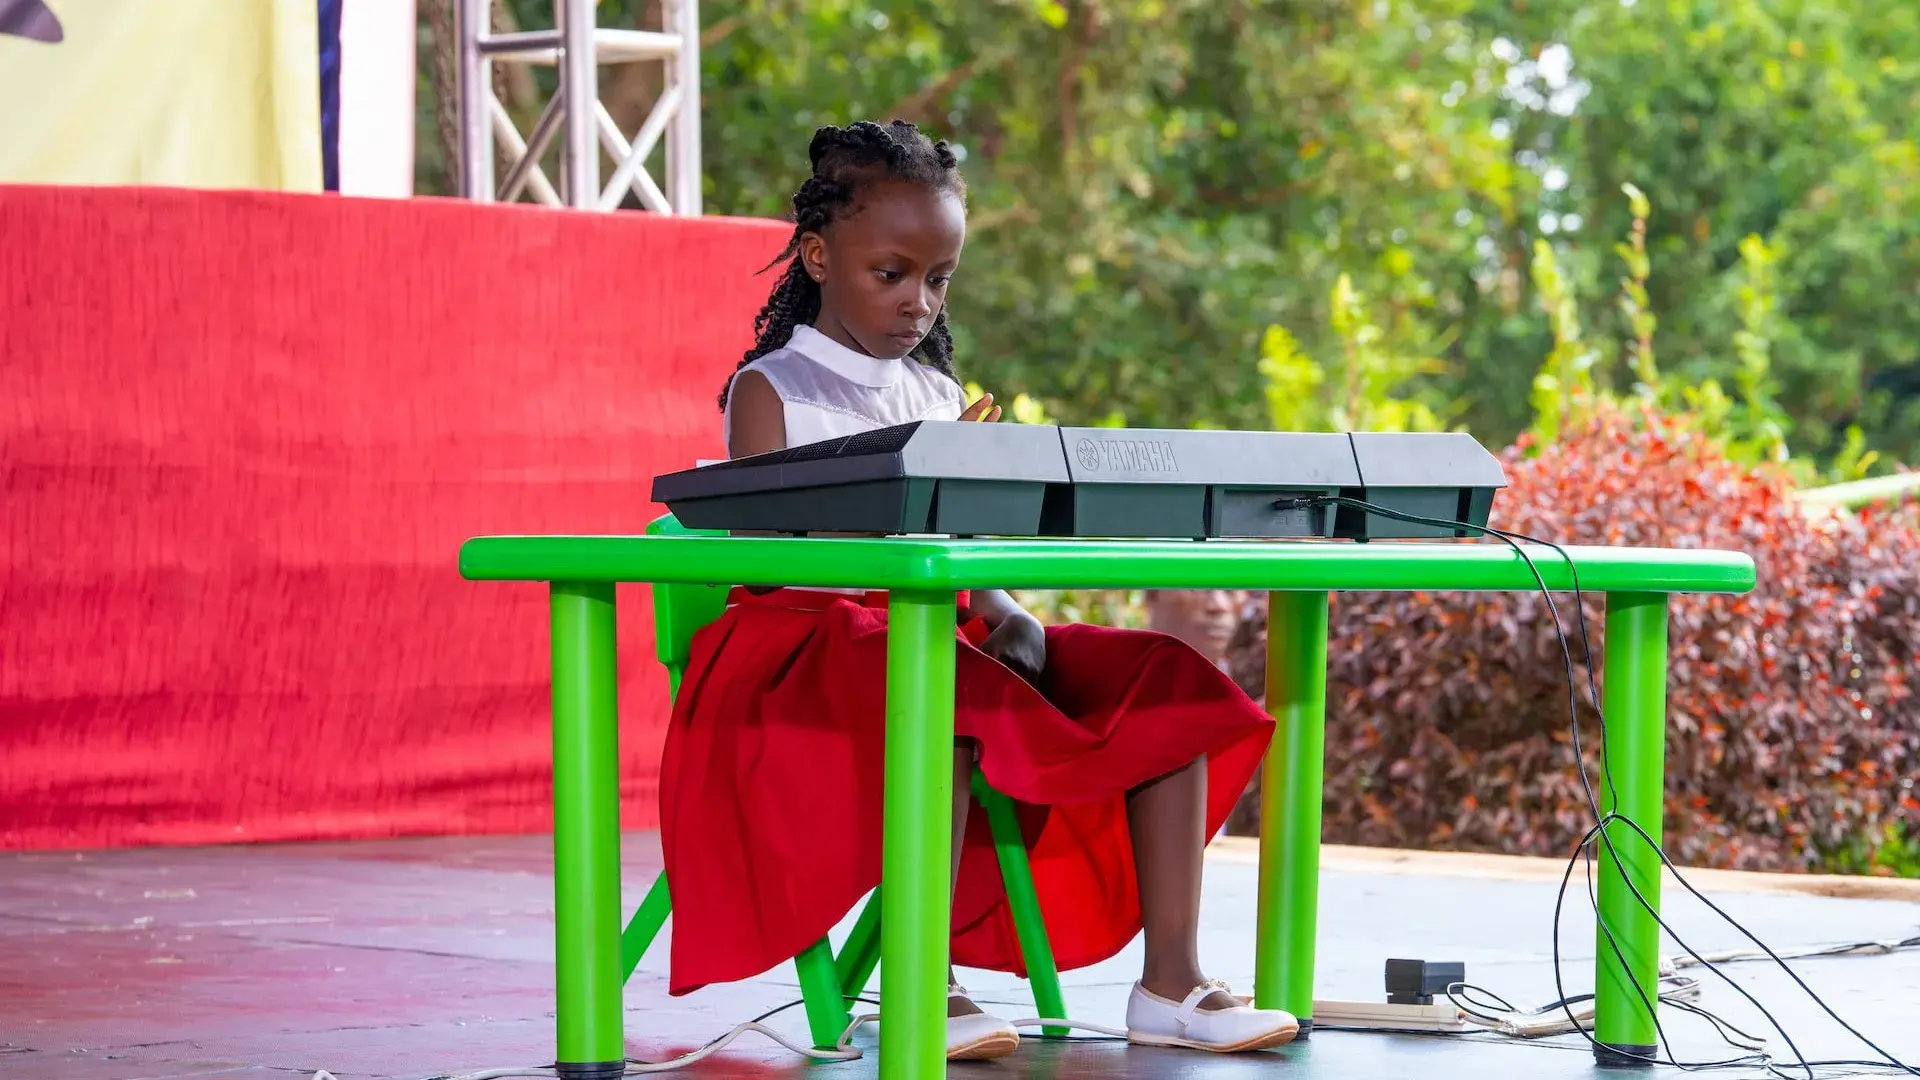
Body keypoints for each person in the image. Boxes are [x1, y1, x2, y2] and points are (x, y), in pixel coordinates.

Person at [659, 119, 1297, 1061]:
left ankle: (1171, 984)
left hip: (939, 629)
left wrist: (1007, 609)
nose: (919, 301)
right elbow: (770, 562)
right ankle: (921, 979)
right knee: (939, 684)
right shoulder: (771, 387)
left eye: (940, 278)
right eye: (893, 274)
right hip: (806, 647)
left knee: (1163, 675)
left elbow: (970, 550)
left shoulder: (939, 392)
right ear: (819, 254)